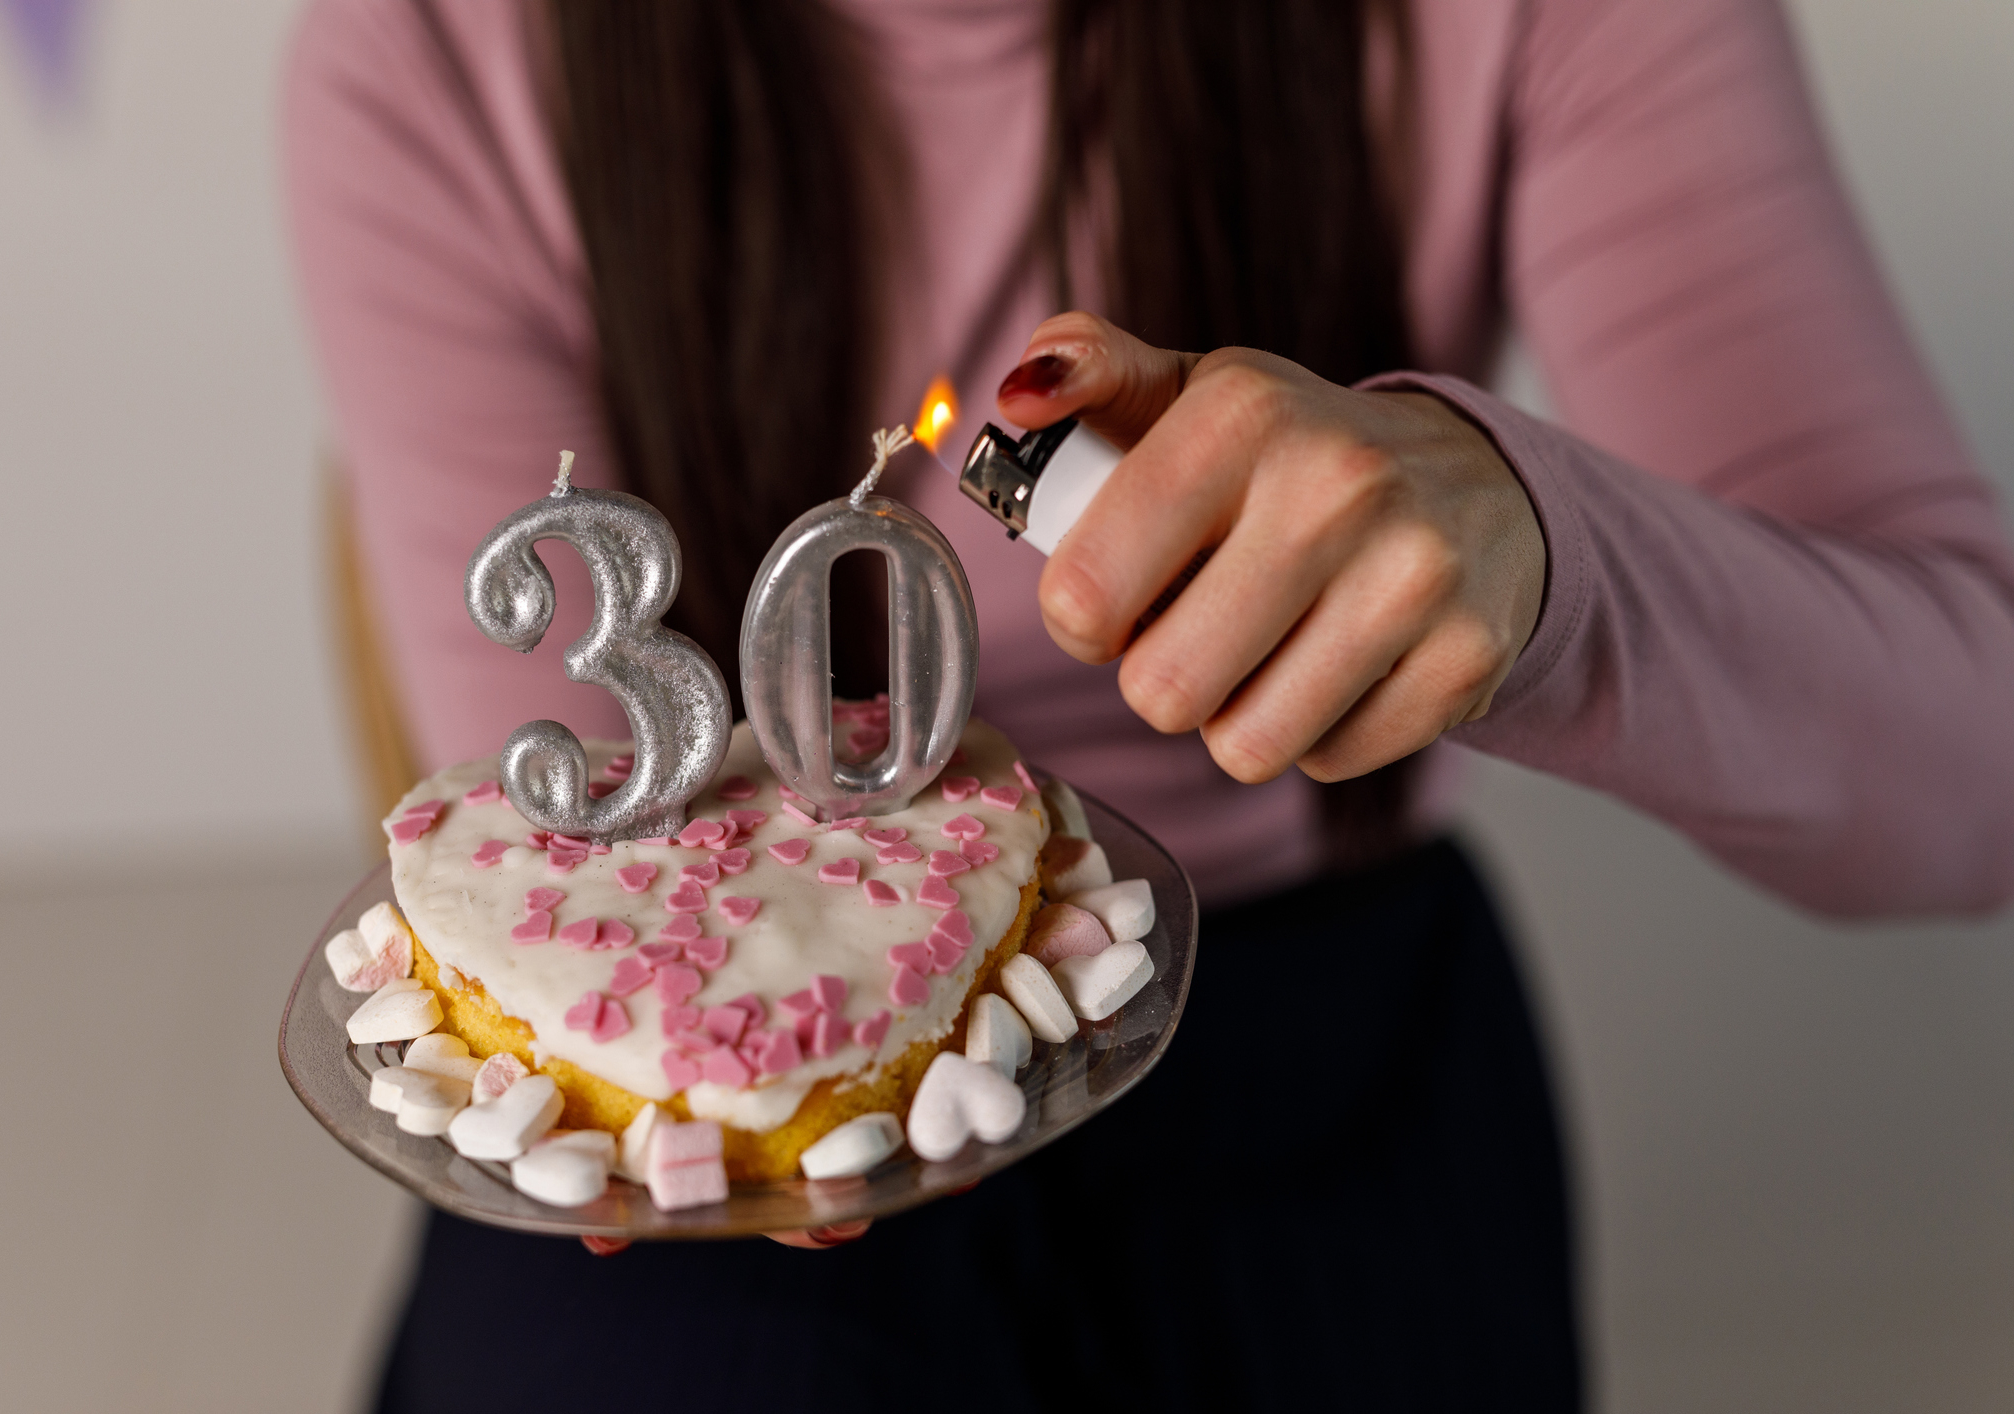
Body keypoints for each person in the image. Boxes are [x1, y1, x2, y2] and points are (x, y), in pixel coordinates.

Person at [285, 0, 2014, 1408]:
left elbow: (1975, 768)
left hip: (1320, 1014)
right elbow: (551, 868)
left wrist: (1540, 556)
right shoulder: (432, 60)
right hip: (714, 1153)